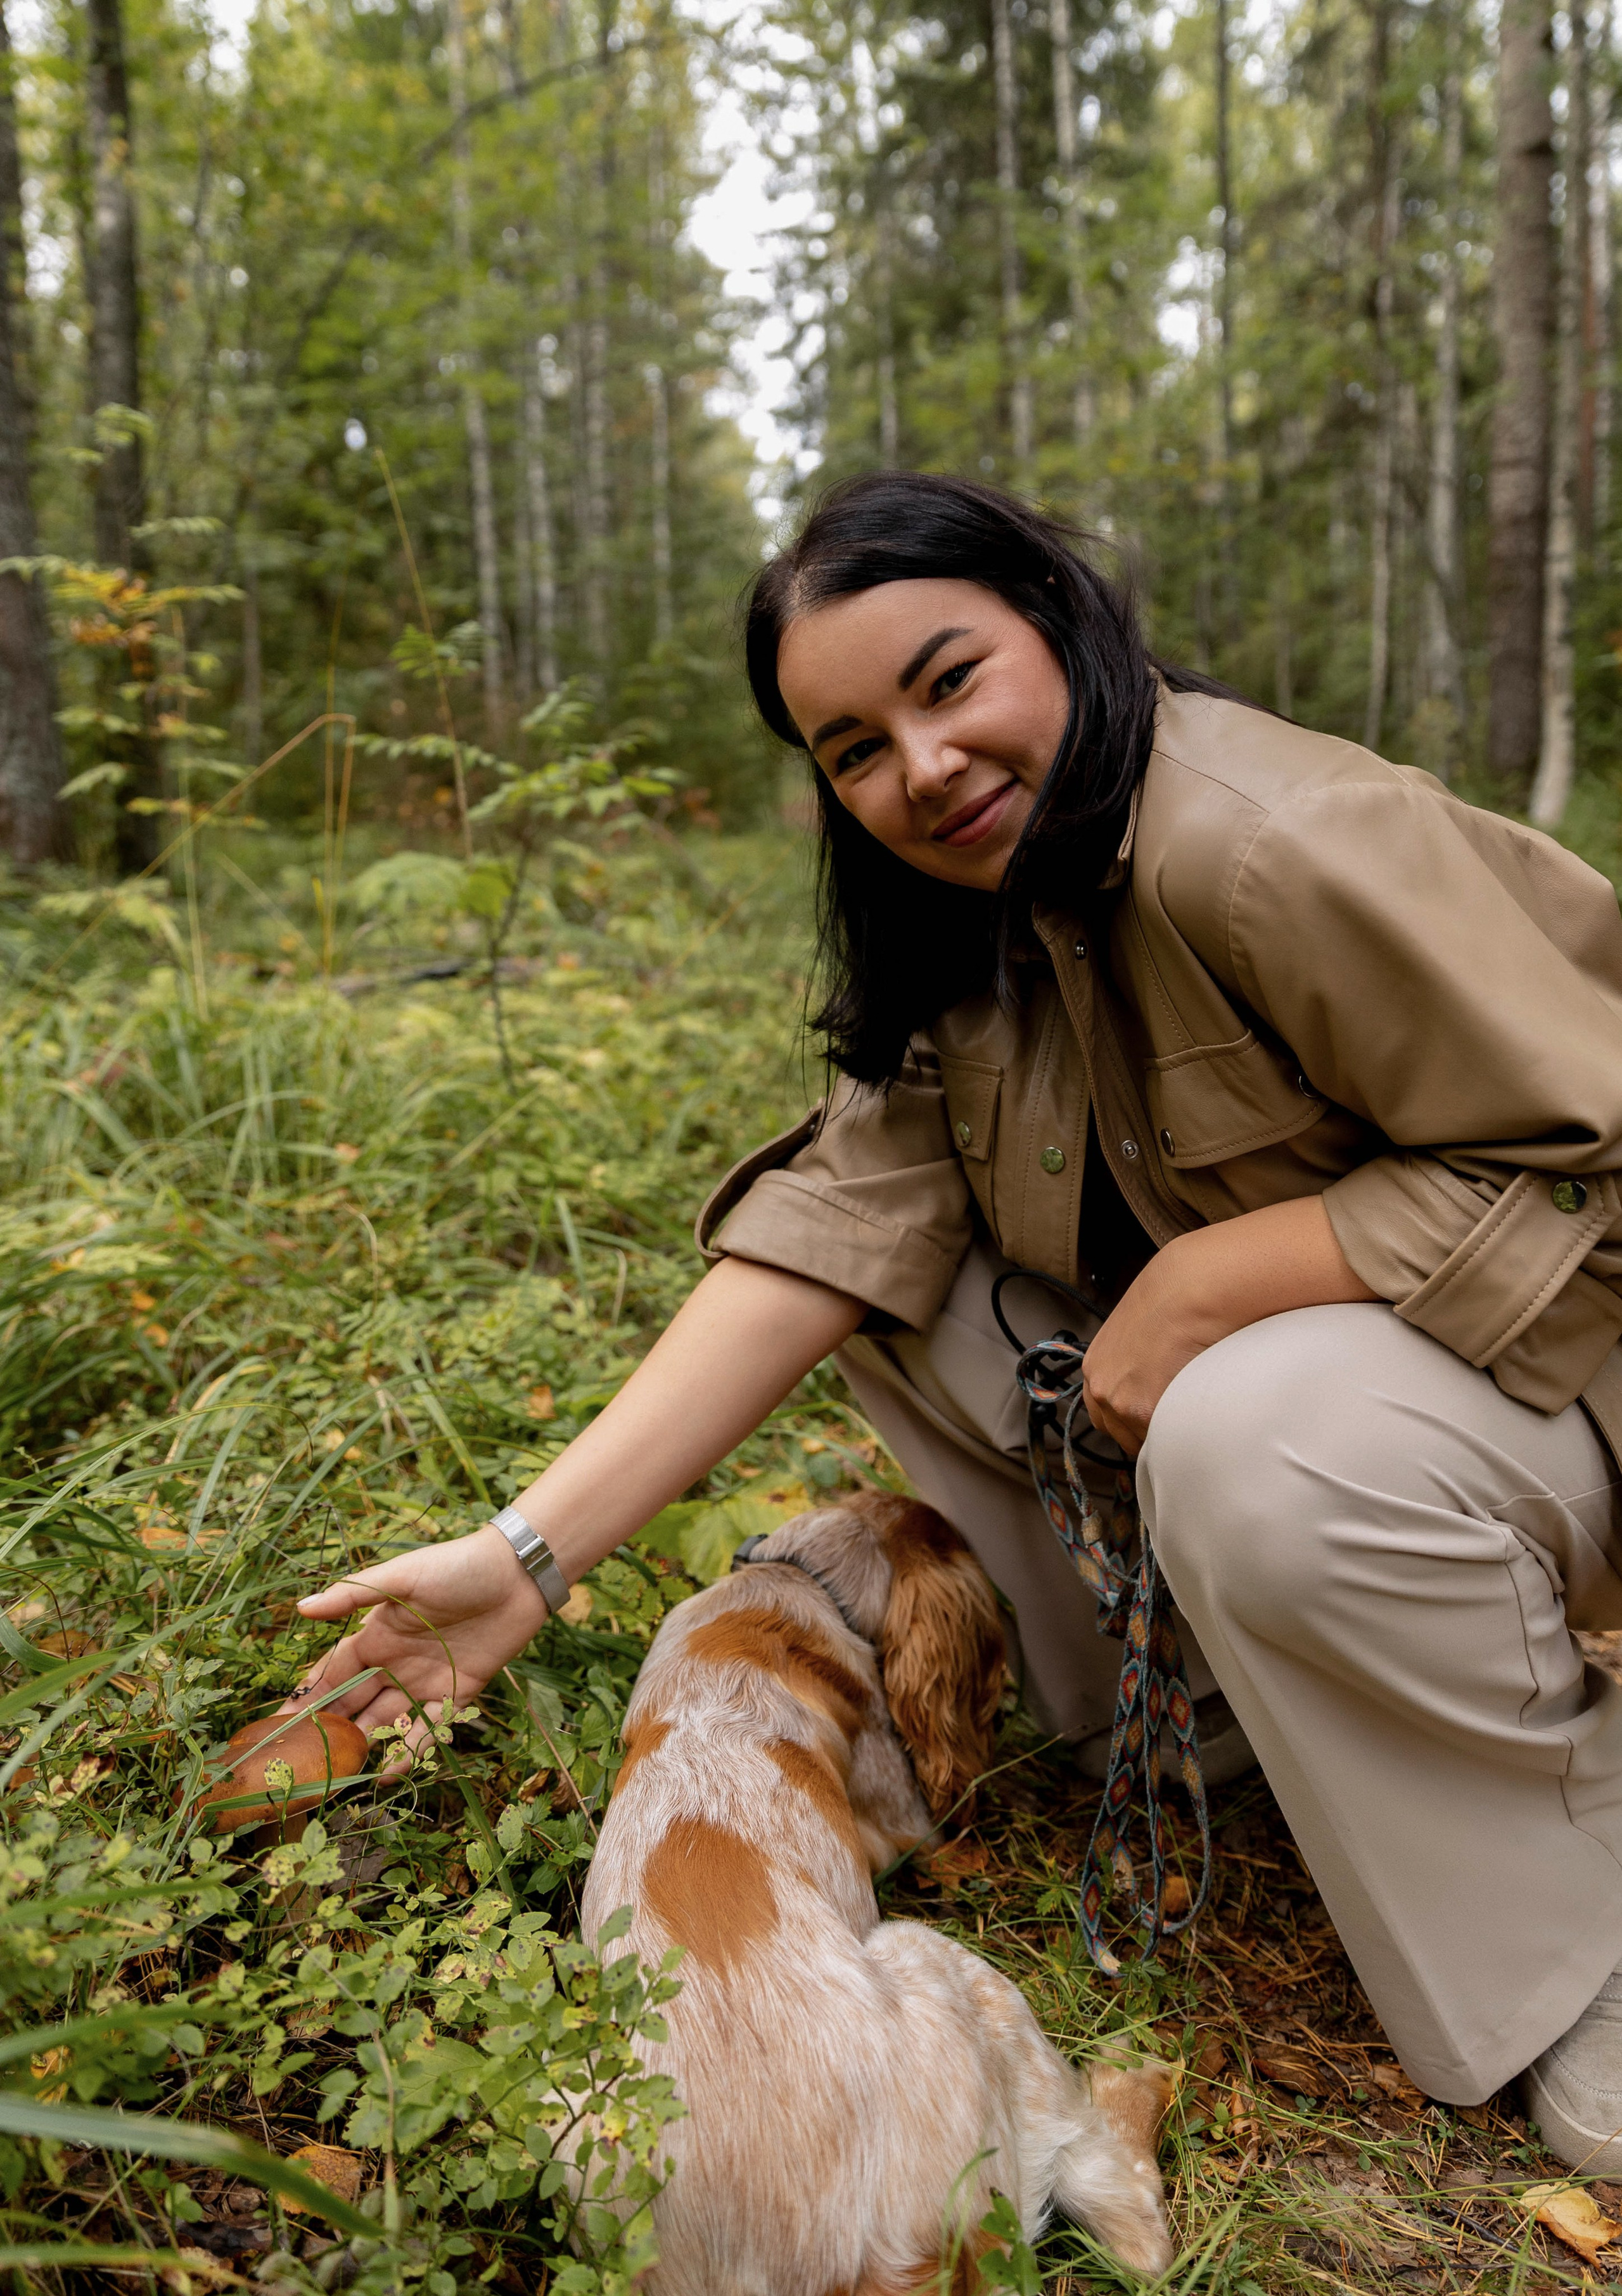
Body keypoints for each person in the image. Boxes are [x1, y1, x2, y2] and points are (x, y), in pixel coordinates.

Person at [290, 471, 1622, 2165]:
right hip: (1407, 1412)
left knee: (1254, 1428)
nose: (918, 768)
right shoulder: (982, 914)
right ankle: (1216, 1725)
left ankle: (1582, 1936)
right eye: (851, 748)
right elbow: (834, 1234)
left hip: (1573, 1387)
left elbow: (1596, 1153)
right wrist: (521, 1566)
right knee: (921, 1299)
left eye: (947, 681)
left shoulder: (1270, 841)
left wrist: (1217, 1280)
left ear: (1059, 624)